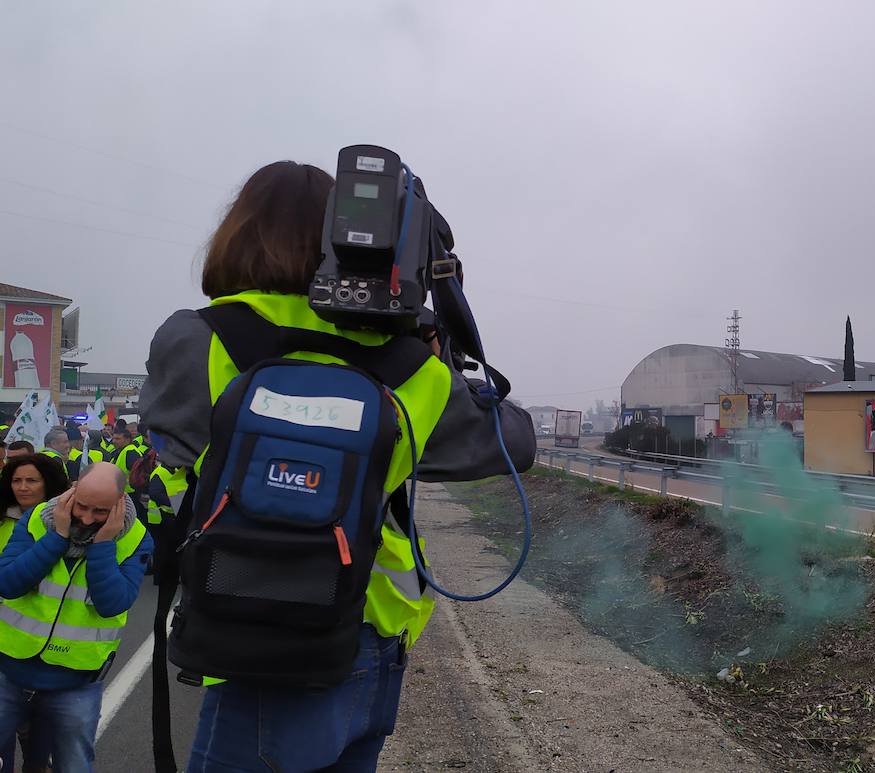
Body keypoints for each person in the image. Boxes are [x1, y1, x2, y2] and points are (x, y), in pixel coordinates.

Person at [142, 159, 534, 771]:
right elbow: (513, 445)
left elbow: (173, 453)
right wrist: (443, 356)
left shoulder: (197, 339)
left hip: (257, 632)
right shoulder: (409, 363)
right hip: (375, 636)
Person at [0, 463, 150, 773]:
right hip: (9, 670)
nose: (85, 518)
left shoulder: (136, 538)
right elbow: (7, 583)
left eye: (100, 512)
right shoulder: (39, 519)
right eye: (81, 505)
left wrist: (104, 544)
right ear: (72, 489)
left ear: (120, 502)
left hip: (76, 681)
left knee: (73, 765)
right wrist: (57, 537)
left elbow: (113, 603)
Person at [0, 453, 69, 773]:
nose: (23, 487)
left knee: (36, 728)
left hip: (37, 641)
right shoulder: (3, 518)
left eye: (32, 480)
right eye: (16, 480)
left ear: (48, 484)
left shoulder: (67, 522)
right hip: (4, 636)